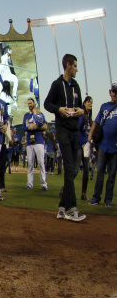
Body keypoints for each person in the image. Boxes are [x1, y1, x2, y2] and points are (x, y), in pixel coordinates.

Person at [44, 53, 86, 221]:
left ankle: (62, 207)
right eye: (75, 66)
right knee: (69, 168)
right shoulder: (57, 84)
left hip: (75, 130)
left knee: (73, 168)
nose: (76, 69)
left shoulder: (76, 86)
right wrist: (59, 109)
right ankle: (71, 208)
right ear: (68, 65)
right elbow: (47, 103)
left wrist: (83, 110)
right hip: (62, 130)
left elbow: (81, 106)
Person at [88, 84, 117, 207]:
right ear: (110, 92)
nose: (115, 94)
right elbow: (96, 121)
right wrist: (90, 134)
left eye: (116, 92)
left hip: (115, 146)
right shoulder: (104, 106)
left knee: (112, 174)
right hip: (103, 145)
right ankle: (96, 197)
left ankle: (108, 199)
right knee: (100, 172)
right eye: (113, 92)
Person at [22, 99, 48, 190]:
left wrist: (36, 127)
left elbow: (45, 126)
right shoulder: (26, 115)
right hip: (29, 141)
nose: (29, 104)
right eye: (28, 103)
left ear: (34, 103)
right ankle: (29, 183)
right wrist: (29, 127)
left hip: (39, 140)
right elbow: (23, 127)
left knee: (41, 162)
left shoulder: (39, 113)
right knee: (30, 163)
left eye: (31, 103)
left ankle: (44, 184)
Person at [75, 96, 93, 200]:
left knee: (86, 170)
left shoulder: (89, 116)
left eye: (91, 102)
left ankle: (83, 194)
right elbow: (78, 129)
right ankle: (65, 190)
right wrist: (82, 142)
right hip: (80, 145)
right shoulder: (82, 115)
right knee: (76, 169)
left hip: (87, 146)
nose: (90, 104)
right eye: (88, 102)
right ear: (84, 103)